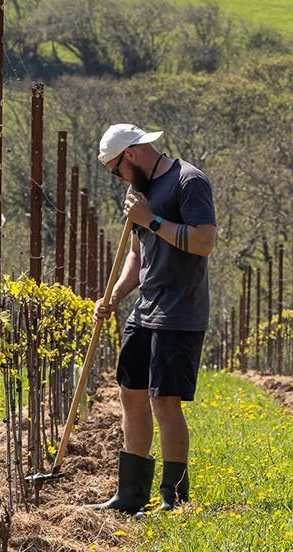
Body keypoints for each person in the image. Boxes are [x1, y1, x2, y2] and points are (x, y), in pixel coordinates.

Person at [86, 123, 218, 514]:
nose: (118, 178)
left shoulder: (188, 181)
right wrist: (113, 295)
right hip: (145, 309)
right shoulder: (137, 193)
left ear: (131, 154)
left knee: (165, 401)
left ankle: (174, 497)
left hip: (180, 310)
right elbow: (136, 255)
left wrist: (153, 221)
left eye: (117, 170)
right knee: (131, 392)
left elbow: (204, 242)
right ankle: (130, 494)